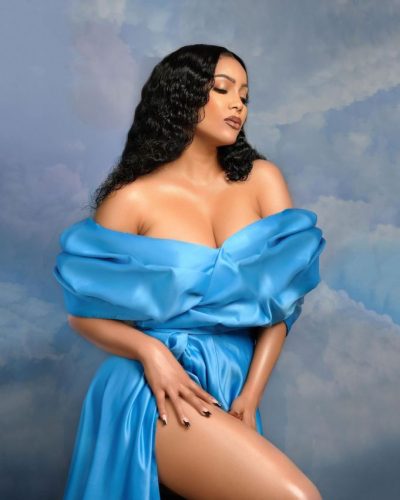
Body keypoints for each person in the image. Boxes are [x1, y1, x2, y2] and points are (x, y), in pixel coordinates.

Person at [53, 44, 326, 499]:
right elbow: (82, 313)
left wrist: (251, 395)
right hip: (156, 387)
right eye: (223, 89)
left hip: (234, 379)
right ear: (181, 95)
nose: (238, 104)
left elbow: (282, 306)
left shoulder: (262, 180)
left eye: (245, 95)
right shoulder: (132, 199)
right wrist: (151, 353)